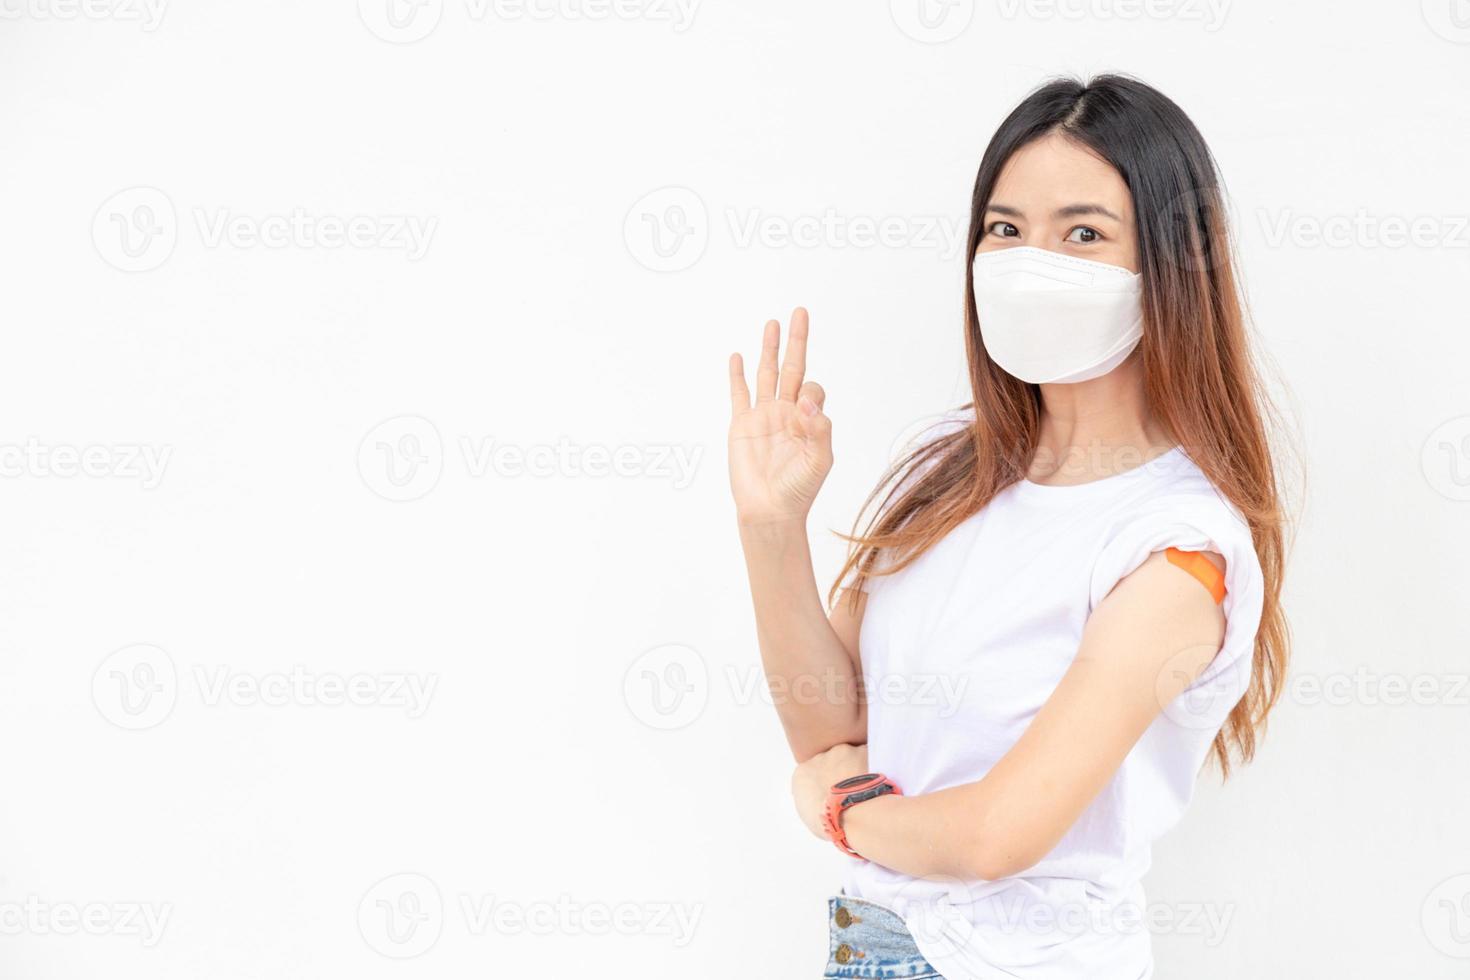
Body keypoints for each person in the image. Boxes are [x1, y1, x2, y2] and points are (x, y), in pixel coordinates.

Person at [726, 74, 1290, 979]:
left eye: (1083, 233)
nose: (1033, 261)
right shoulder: (949, 470)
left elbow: (996, 835)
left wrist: (841, 811)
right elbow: (834, 729)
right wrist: (770, 525)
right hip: (873, 947)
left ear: (1173, 264)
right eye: (1004, 229)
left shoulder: (1177, 547)